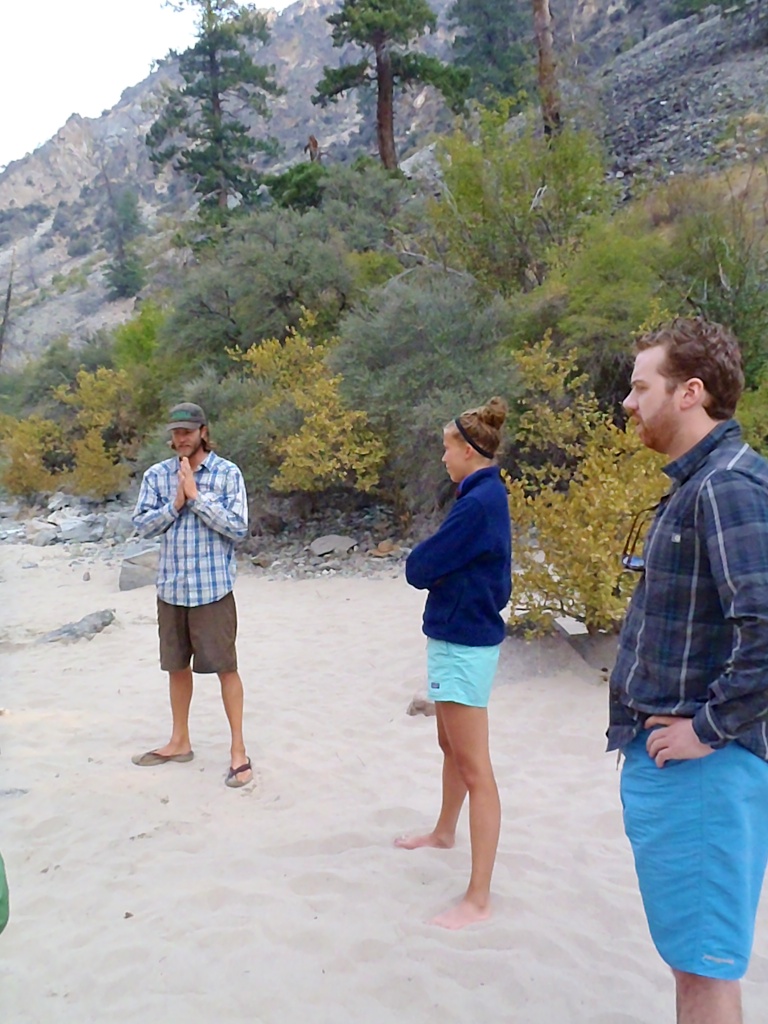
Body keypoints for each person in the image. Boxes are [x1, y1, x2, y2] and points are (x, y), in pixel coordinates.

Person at [608, 318, 768, 1024]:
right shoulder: (701, 483)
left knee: (704, 972)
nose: (628, 402)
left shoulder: (726, 487)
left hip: (706, 773)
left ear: (689, 392)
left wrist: (706, 729)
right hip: (684, 771)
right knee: (694, 963)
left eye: (640, 387)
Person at [396, 397, 512, 930]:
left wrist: (434, 568)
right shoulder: (479, 496)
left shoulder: (479, 502)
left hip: (465, 644)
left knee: (476, 768)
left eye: (447, 447)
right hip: (454, 637)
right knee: (450, 745)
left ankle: (478, 898)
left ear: (468, 450)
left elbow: (420, 567)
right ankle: (444, 832)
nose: (443, 457)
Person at [131, 402, 253, 789]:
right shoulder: (156, 476)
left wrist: (197, 498)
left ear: (203, 431)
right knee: (176, 667)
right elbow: (142, 525)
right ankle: (179, 741)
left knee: (225, 668)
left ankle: (239, 752)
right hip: (171, 588)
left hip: (212, 589)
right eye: (176, 432)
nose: (181, 438)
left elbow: (238, 527)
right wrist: (176, 504)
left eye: (187, 431)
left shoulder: (227, 473)